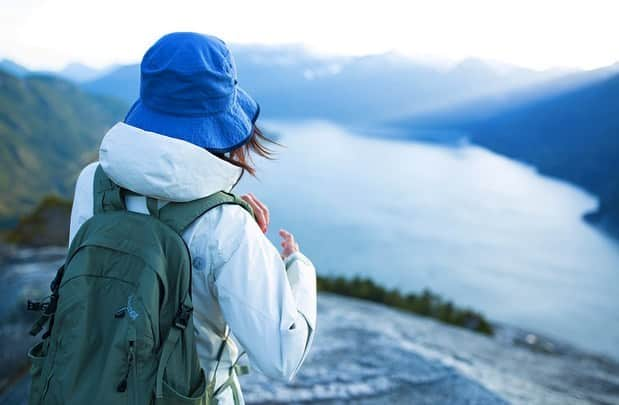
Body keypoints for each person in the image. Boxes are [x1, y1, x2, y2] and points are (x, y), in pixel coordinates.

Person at [68, 32, 317, 404]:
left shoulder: (93, 182)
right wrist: (294, 268)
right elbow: (282, 356)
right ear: (223, 120)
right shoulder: (227, 226)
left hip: (91, 387)